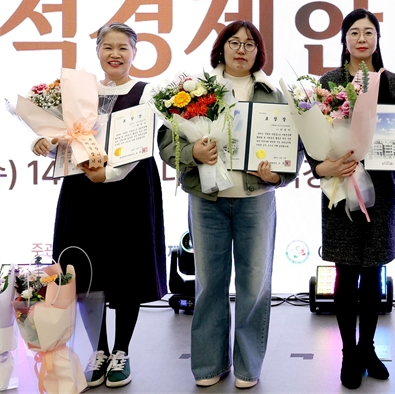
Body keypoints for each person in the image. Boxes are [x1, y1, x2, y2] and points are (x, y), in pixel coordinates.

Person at [158, 20, 300, 389]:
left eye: (250, 44)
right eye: (234, 42)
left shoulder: (273, 93)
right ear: (221, 48)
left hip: (256, 200)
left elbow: (295, 147)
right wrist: (193, 152)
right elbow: (168, 141)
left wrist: (278, 176)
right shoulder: (194, 89)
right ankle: (209, 365)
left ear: (259, 52)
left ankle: (248, 368)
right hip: (208, 201)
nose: (241, 49)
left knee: (254, 286)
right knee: (209, 285)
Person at [33, 22, 167, 389]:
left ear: (134, 53)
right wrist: (45, 143)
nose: (115, 54)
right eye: (108, 47)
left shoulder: (147, 92)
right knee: (84, 272)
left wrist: (107, 174)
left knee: (127, 268)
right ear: (97, 52)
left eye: (123, 47)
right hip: (82, 190)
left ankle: (121, 351)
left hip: (129, 188)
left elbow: (139, 144)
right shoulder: (80, 92)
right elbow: (66, 141)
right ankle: (99, 350)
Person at [306, 9, 395, 389]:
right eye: (354, 32)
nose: (361, 39)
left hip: (381, 190)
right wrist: (324, 166)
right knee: (345, 272)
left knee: (373, 272)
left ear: (377, 39)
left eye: (369, 32)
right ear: (344, 40)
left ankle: (368, 348)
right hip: (340, 187)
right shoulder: (329, 82)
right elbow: (312, 137)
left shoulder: (392, 83)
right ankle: (348, 353)